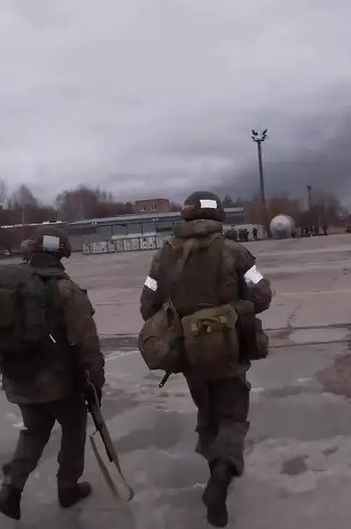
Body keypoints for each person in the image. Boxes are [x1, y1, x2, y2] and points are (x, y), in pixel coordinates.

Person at [139, 191, 272, 527]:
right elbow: (262, 294)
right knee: (233, 415)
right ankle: (221, 478)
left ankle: (214, 469)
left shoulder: (163, 255)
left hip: (188, 352)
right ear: (218, 216)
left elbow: (147, 304)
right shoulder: (233, 250)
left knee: (208, 410)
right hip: (230, 349)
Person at [0, 226, 106, 520]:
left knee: (34, 433)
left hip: (19, 377)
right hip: (59, 383)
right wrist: (96, 383)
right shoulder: (66, 289)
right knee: (74, 431)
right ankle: (68, 488)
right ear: (60, 252)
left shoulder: (14, 285)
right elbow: (86, 342)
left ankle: (11, 487)